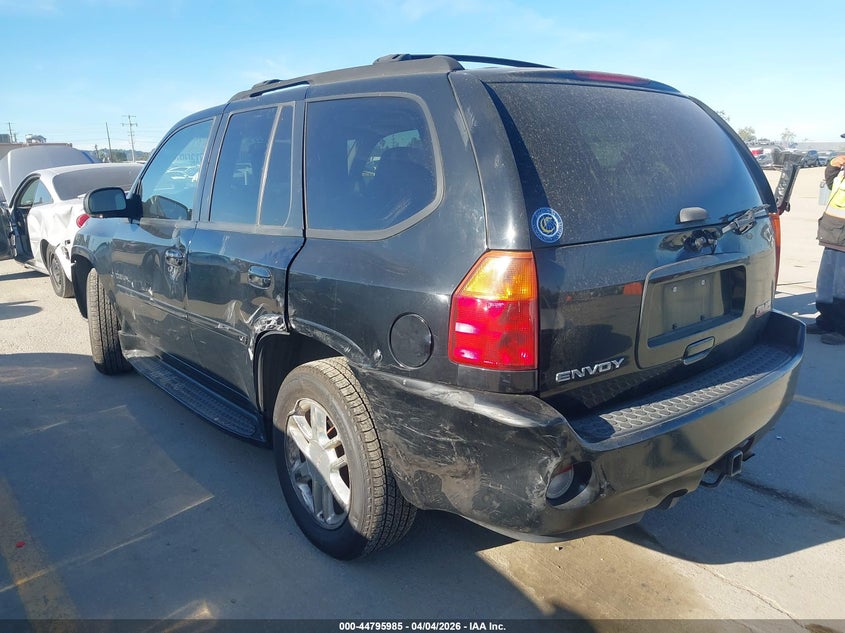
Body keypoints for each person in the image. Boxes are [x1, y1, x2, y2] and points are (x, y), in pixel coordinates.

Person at [811, 137, 845, 345]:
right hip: (832, 234)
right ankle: (826, 321)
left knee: (842, 289)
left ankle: (841, 329)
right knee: (825, 285)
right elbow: (832, 185)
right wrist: (832, 165)